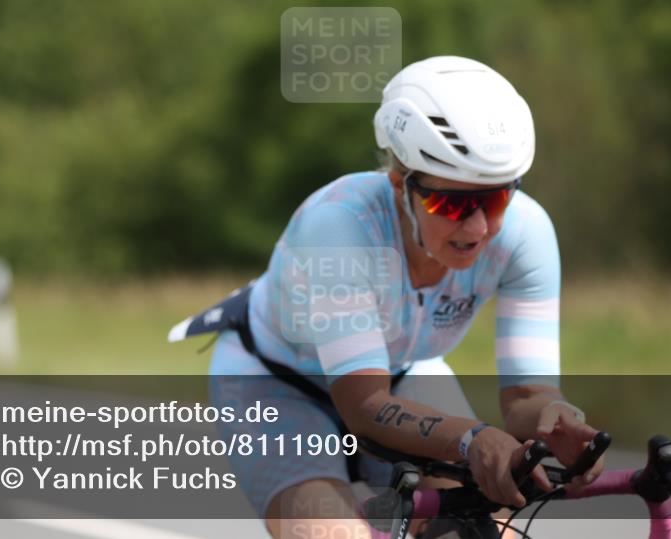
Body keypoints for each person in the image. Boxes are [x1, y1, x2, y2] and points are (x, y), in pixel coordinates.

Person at [194, 56, 605, 538]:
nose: (476, 227)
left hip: (403, 372)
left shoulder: (525, 232)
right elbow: (364, 404)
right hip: (276, 382)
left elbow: (526, 395)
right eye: (452, 203)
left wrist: (554, 419)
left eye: (494, 199)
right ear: (399, 184)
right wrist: (472, 439)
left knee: (487, 530)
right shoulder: (338, 227)